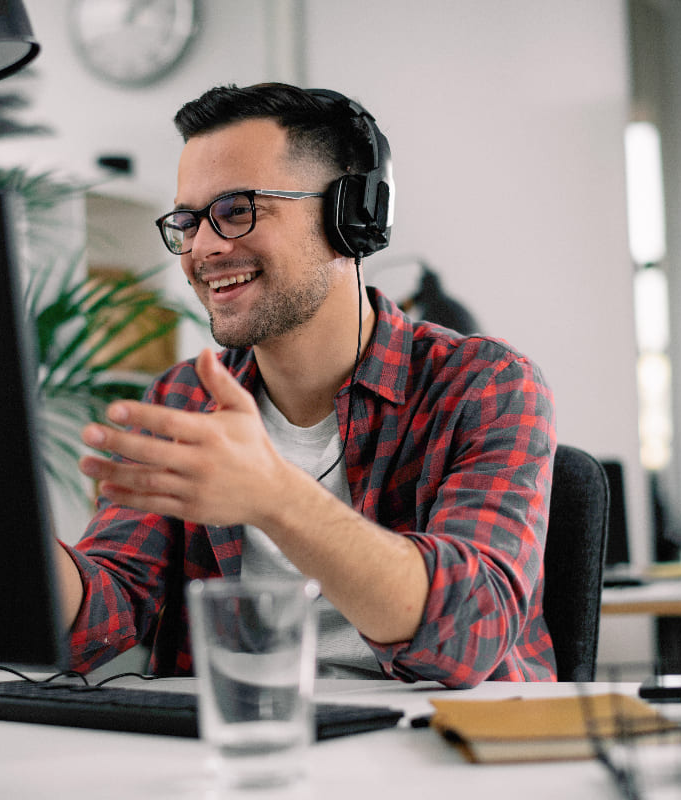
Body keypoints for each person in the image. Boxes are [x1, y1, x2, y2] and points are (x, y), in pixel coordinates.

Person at [52, 83, 557, 686]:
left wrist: (274, 497)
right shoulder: (182, 400)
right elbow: (98, 621)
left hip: (432, 759)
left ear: (351, 220)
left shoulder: (483, 384)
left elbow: (466, 636)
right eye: (186, 222)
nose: (202, 249)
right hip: (247, 749)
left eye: (237, 210)